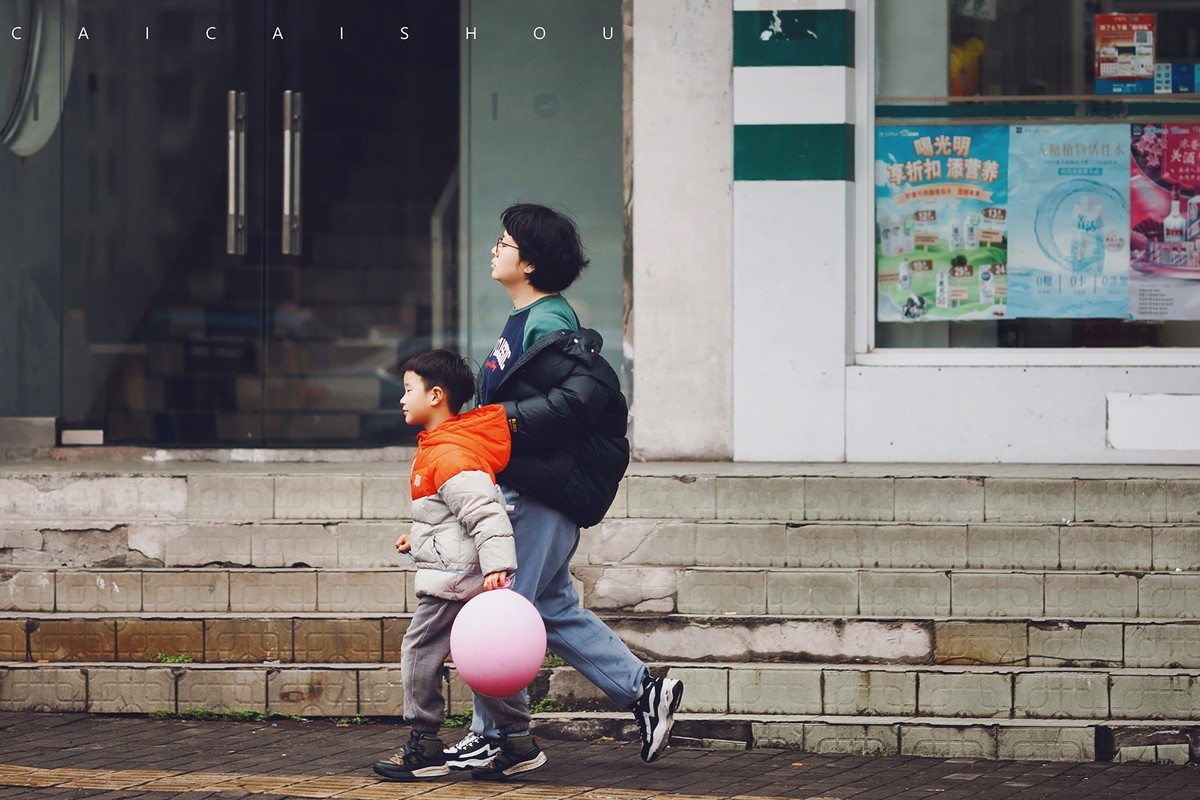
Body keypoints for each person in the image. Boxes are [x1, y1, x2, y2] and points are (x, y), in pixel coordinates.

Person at [443, 203, 684, 772]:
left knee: (503, 609)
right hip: (534, 486)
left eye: (504, 243)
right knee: (549, 608)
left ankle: (497, 734)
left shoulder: (548, 323)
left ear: (528, 263)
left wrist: (499, 430)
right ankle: (643, 691)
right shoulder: (527, 317)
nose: (493, 250)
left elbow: (563, 412)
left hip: (540, 493)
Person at [371, 350, 545, 782]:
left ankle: (425, 744)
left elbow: (487, 513)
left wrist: (498, 566)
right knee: (479, 658)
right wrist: (419, 538)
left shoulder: (449, 453)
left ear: (435, 395)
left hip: (454, 581)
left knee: (418, 651)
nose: (402, 398)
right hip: (461, 572)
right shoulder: (441, 448)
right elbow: (452, 518)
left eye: (408, 389)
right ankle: (518, 741)